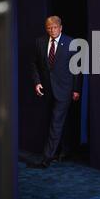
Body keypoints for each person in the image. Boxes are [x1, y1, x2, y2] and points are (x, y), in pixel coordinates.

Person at [29, 15, 81, 168]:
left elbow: (76, 69)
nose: (51, 30)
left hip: (65, 89)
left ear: (61, 27)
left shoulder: (71, 43)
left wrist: (76, 89)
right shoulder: (39, 42)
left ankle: (47, 158)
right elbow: (34, 64)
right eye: (49, 28)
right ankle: (65, 151)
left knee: (56, 122)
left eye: (54, 27)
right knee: (56, 121)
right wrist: (37, 82)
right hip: (47, 89)